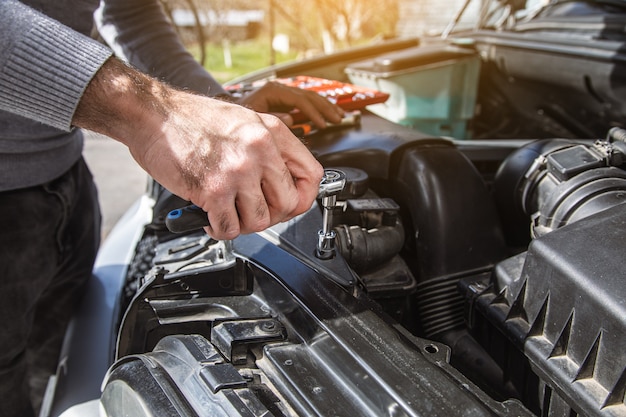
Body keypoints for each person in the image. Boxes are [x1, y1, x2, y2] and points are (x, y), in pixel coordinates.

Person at [0, 1, 344, 416]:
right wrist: (152, 113)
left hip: (66, 183)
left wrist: (217, 108)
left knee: (44, 374)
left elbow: (130, 12)